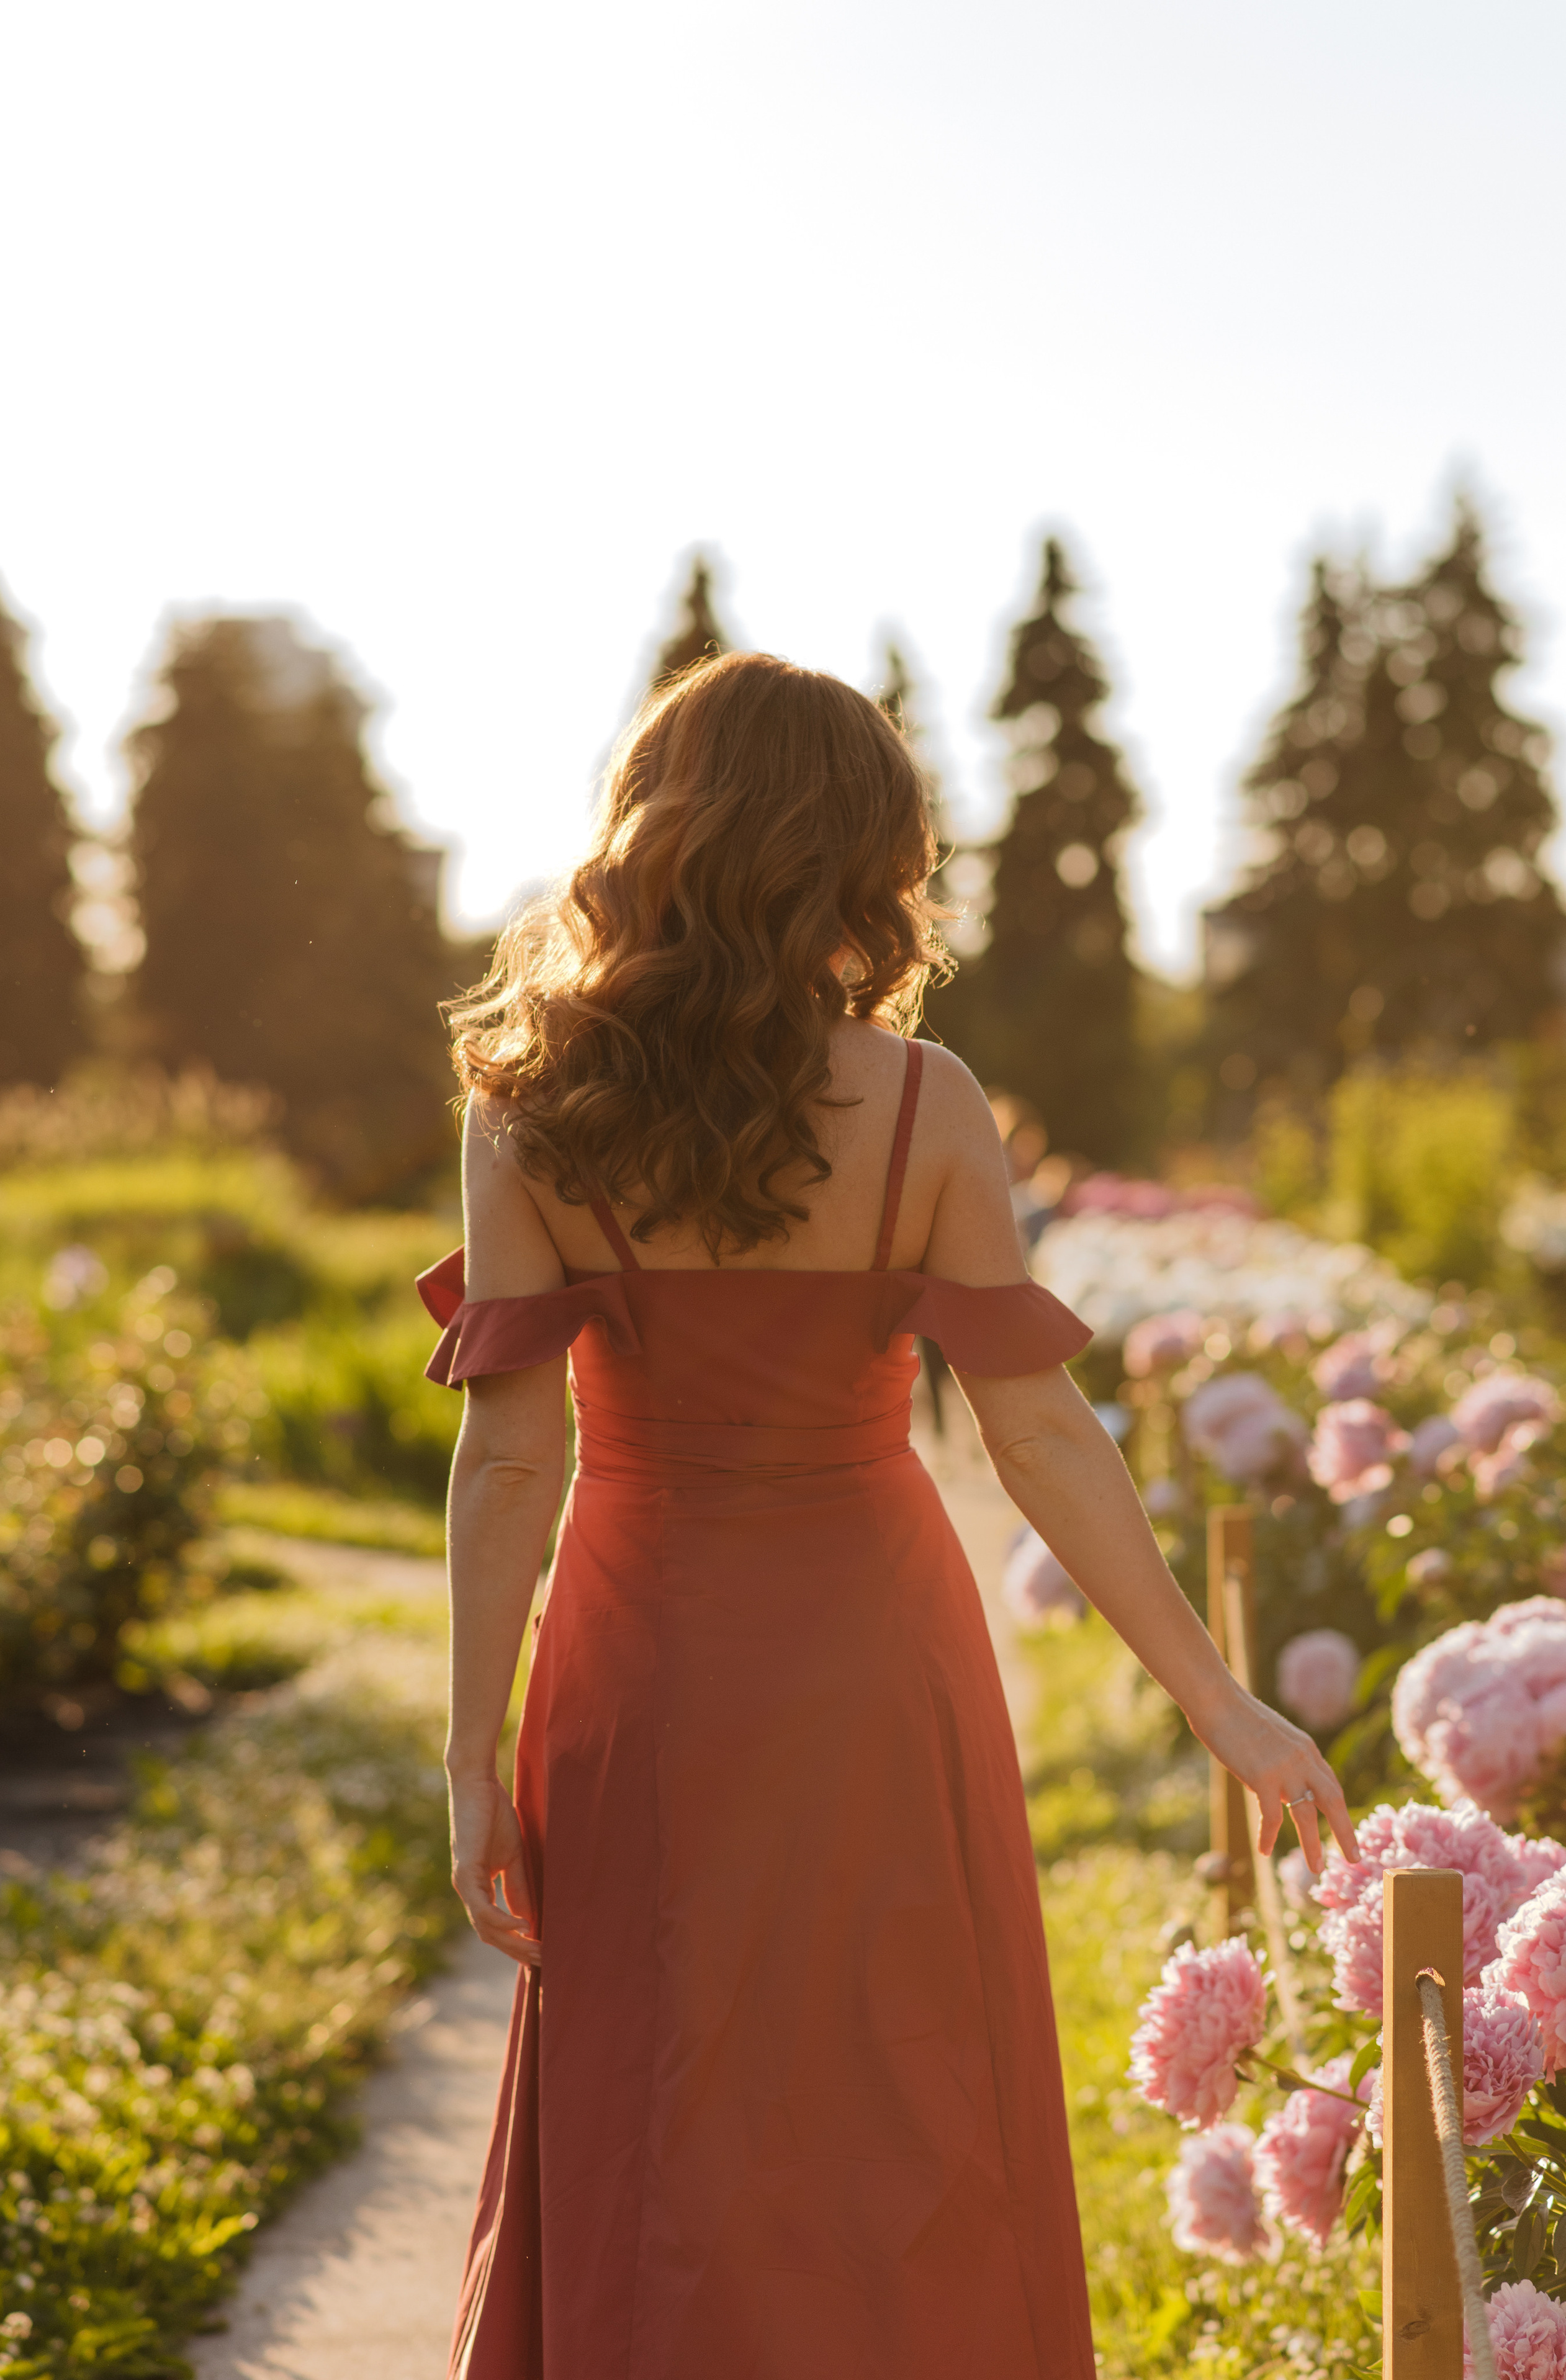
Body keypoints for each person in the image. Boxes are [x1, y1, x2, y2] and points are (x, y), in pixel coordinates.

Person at [417, 652, 1357, 2380]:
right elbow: (1041, 1432)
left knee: (655, 2106)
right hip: (875, 1658)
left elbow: (509, 1460)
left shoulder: (529, 1102)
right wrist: (1218, 1701)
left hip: (642, 1661)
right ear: (859, 856)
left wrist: (474, 1750)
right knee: (900, 2104)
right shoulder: (926, 1104)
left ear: (657, 830)